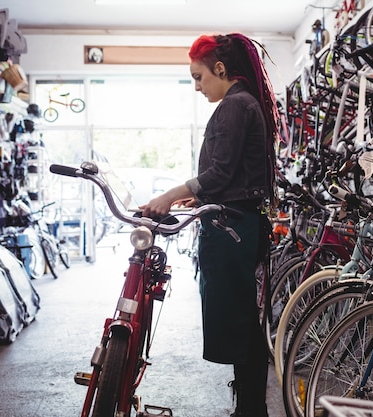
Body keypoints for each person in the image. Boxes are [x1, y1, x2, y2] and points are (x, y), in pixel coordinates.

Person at [140, 33, 279, 417]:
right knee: (242, 321)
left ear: (220, 69)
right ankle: (250, 407)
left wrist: (169, 195)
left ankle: (251, 409)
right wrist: (195, 196)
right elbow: (232, 174)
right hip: (237, 223)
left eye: (199, 77)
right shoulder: (242, 103)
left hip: (232, 229)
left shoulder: (235, 106)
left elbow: (219, 172)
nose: (197, 86)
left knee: (240, 324)